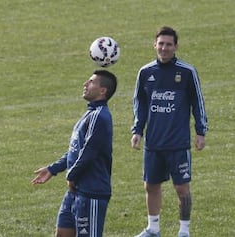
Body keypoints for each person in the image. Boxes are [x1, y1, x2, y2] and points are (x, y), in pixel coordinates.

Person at [131, 26, 208, 237]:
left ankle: (184, 231)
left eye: (169, 44)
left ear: (176, 47)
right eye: (161, 43)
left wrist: (200, 131)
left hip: (178, 143)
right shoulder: (145, 72)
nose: (164, 48)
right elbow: (140, 104)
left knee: (182, 189)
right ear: (154, 44)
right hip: (154, 143)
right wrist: (137, 130)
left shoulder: (186, 72)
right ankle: (153, 229)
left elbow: (197, 102)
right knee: (151, 186)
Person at [32, 70, 117, 237]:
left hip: (91, 192)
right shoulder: (90, 114)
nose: (85, 84)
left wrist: (71, 176)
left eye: (91, 82)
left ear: (102, 91)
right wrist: (52, 169)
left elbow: (89, 153)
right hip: (76, 191)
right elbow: (75, 150)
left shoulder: (100, 117)